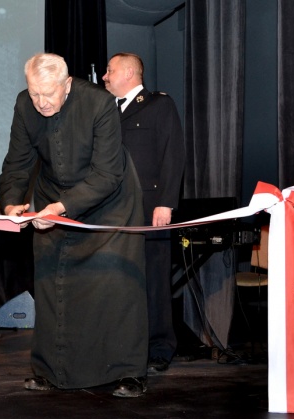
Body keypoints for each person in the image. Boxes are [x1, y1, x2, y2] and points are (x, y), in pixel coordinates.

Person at [0, 53, 149, 398]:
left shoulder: (99, 103)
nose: (41, 102)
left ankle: (128, 372)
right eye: (34, 93)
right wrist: (11, 202)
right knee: (52, 283)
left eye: (48, 93)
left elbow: (107, 173)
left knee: (117, 286)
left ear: (67, 84)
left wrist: (63, 207)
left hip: (110, 203)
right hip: (52, 197)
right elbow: (18, 161)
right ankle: (52, 371)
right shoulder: (24, 105)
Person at [103, 52, 185, 373]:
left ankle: (160, 347)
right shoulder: (106, 111)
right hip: (114, 211)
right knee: (120, 280)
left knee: (154, 280)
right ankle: (126, 345)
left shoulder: (159, 105)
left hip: (150, 209)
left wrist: (166, 202)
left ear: (128, 73)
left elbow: (173, 154)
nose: (105, 77)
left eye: (110, 71)